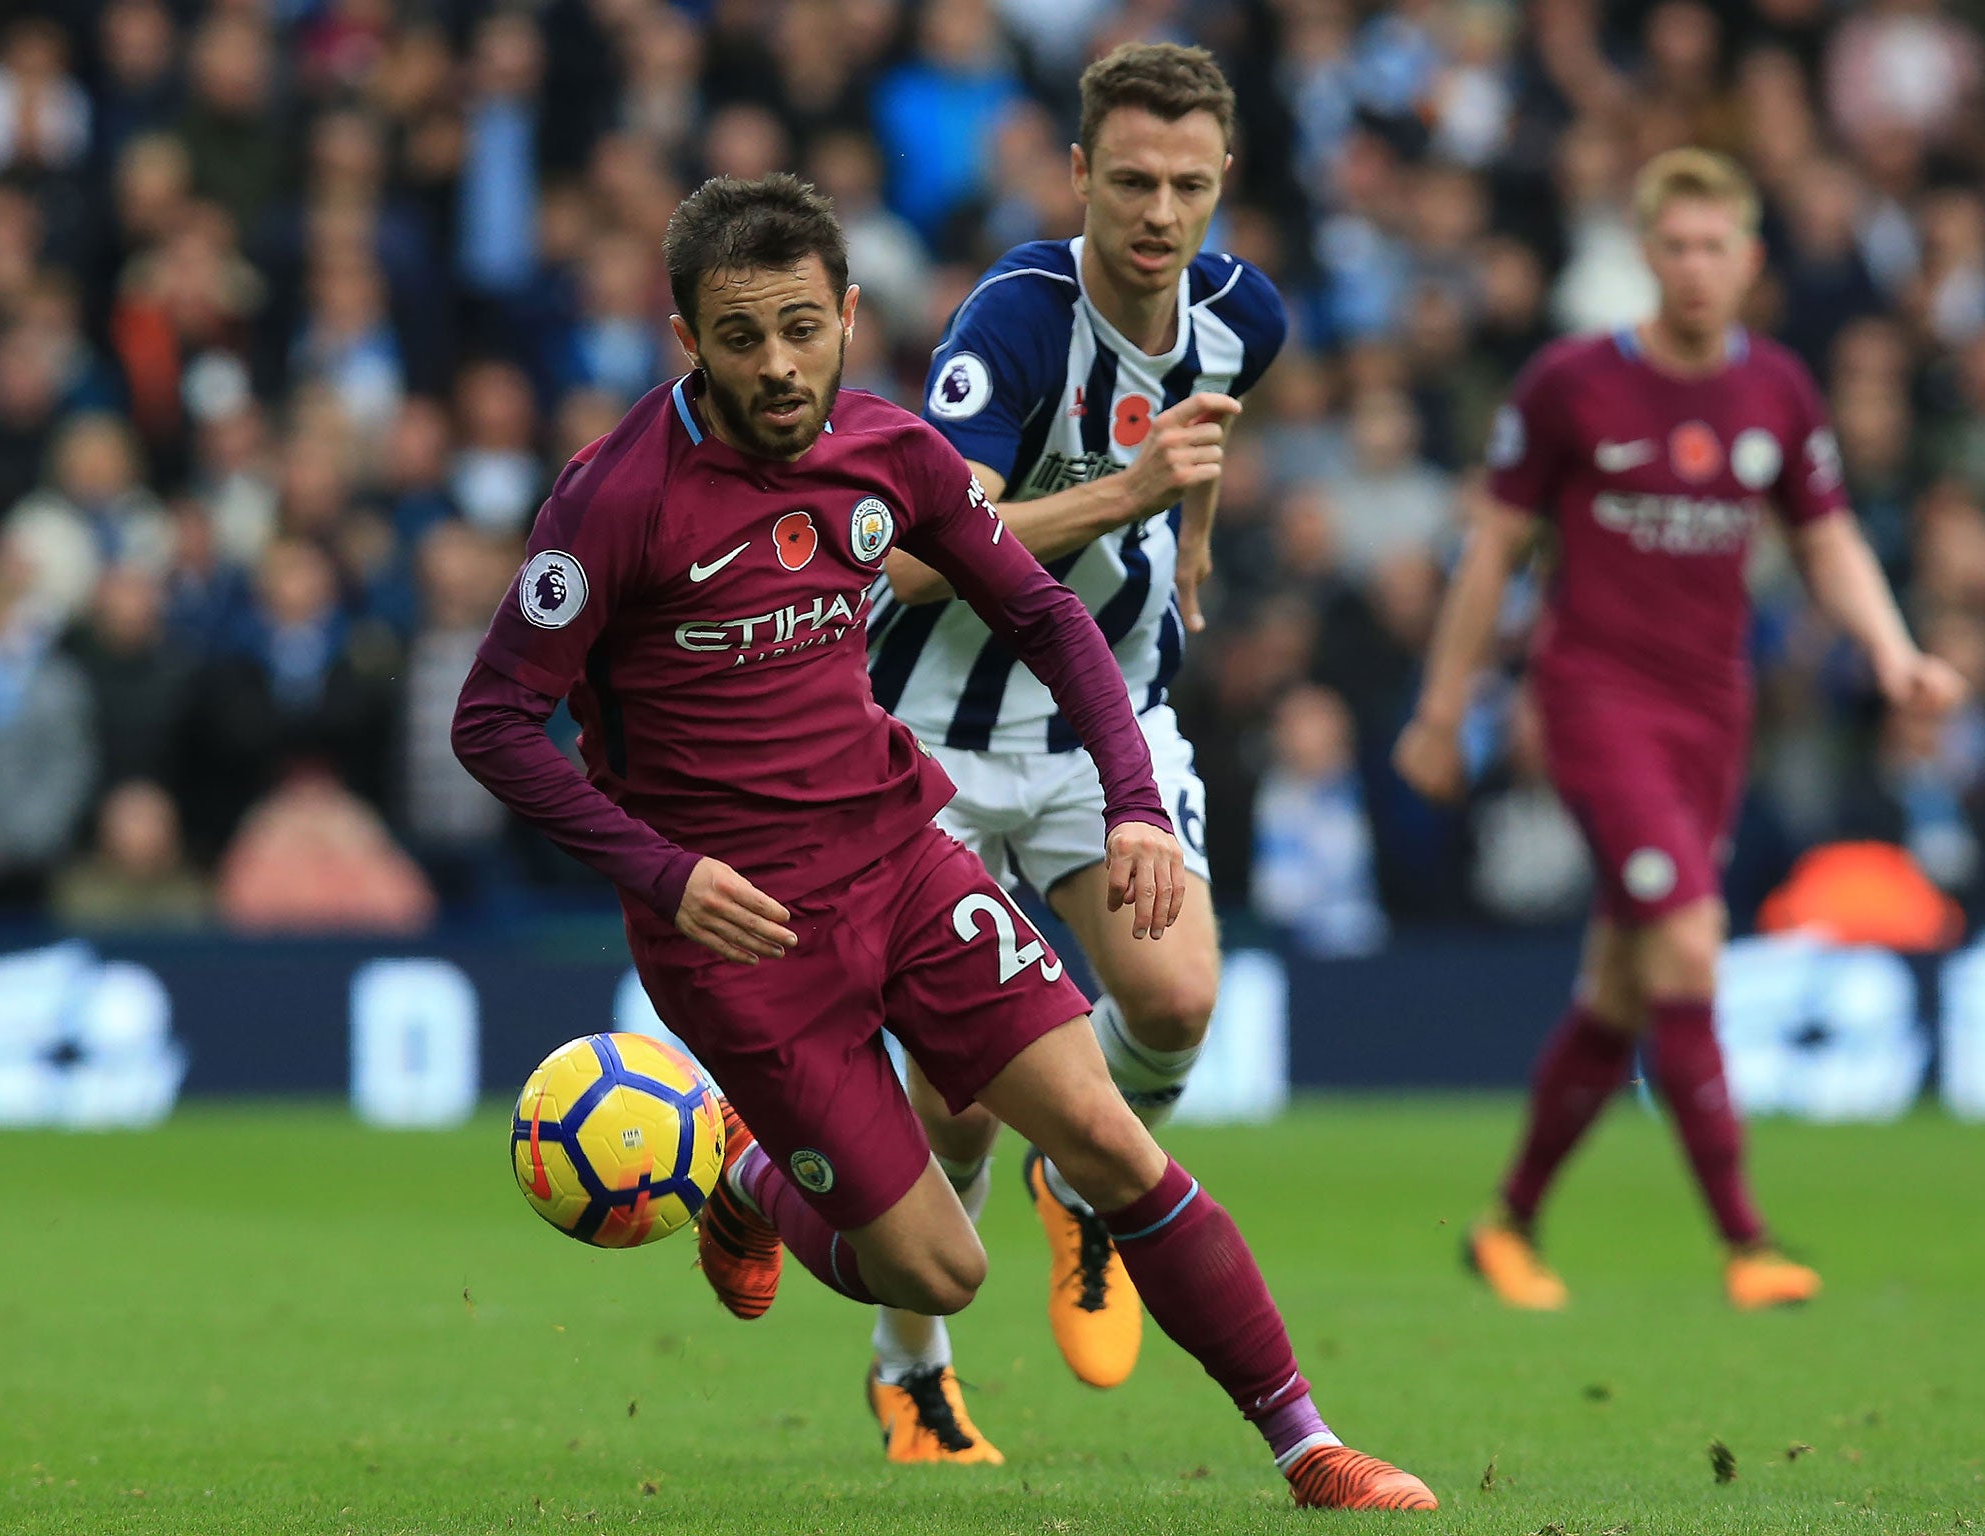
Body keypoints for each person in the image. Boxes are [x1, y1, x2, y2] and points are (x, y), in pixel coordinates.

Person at [453, 174, 1433, 1512]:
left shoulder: (890, 455)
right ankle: (754, 1173)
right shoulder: (614, 500)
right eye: (739, 337)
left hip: (908, 863)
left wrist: (1136, 800)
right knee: (937, 1271)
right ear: (684, 339)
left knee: (1108, 1139)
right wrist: (667, 877)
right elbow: (493, 725)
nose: (778, 364)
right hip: (743, 939)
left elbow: (1047, 619)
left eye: (803, 326)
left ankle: (1308, 1447)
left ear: (849, 313)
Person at [1393, 148, 1965, 1312]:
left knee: (1621, 978)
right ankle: (1745, 1241)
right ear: (1646, 257)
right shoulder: (1569, 385)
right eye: (1675, 247)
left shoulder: (1777, 393)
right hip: (1594, 700)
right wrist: (1442, 710)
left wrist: (1894, 649)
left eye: (1716, 248)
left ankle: (1505, 1224)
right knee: (1690, 943)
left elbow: (1824, 538)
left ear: (1747, 261)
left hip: (1712, 715)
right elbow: (1493, 548)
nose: (1695, 268)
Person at [863, 42, 1287, 1448]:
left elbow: (1199, 447)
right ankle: (913, 1372)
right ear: (1077, 179)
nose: (1158, 213)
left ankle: (1084, 1182)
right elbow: (923, 565)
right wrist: (1130, 493)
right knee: (958, 1096)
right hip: (937, 739)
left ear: (1222, 182)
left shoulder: (1246, 318)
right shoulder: (1013, 325)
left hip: (1107, 716)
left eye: (1185, 185)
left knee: (1173, 1003)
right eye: (1129, 182)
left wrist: (1198, 538)